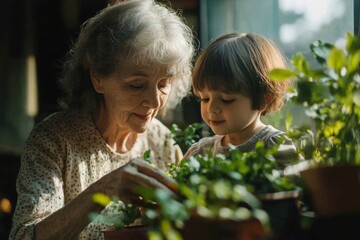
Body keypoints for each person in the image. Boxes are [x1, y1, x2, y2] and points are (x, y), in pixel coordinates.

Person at [10, 0, 195, 239]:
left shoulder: (162, 142)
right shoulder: (54, 142)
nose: (154, 101)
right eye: (137, 85)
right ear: (97, 76)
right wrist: (105, 189)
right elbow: (24, 236)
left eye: (164, 84)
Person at [184, 32, 298, 170]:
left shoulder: (276, 147)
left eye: (227, 100)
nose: (211, 108)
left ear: (264, 99)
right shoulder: (200, 153)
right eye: (205, 98)